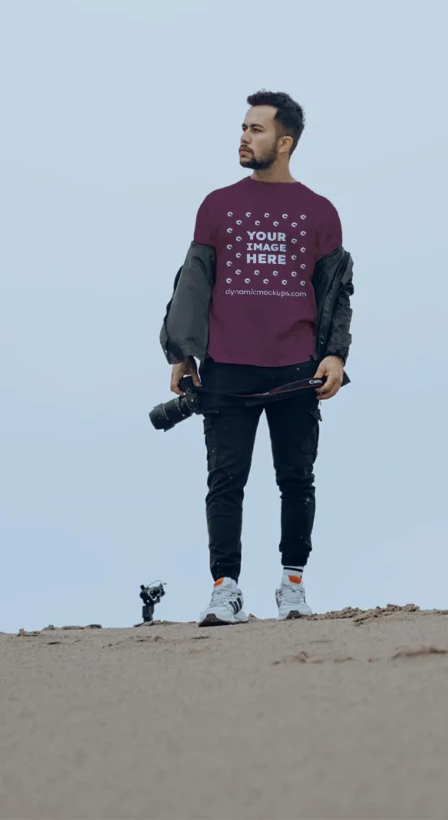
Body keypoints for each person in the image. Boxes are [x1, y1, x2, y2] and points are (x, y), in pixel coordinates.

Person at [160, 91, 354, 625]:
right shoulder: (217, 205)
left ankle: (293, 587)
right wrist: (183, 354)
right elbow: (193, 284)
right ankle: (226, 590)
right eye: (243, 127)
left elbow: (335, 292)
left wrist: (335, 354)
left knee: (297, 479)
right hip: (226, 367)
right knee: (225, 482)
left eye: (257, 129)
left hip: (296, 370)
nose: (244, 136)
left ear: (284, 142)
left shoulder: (320, 212)